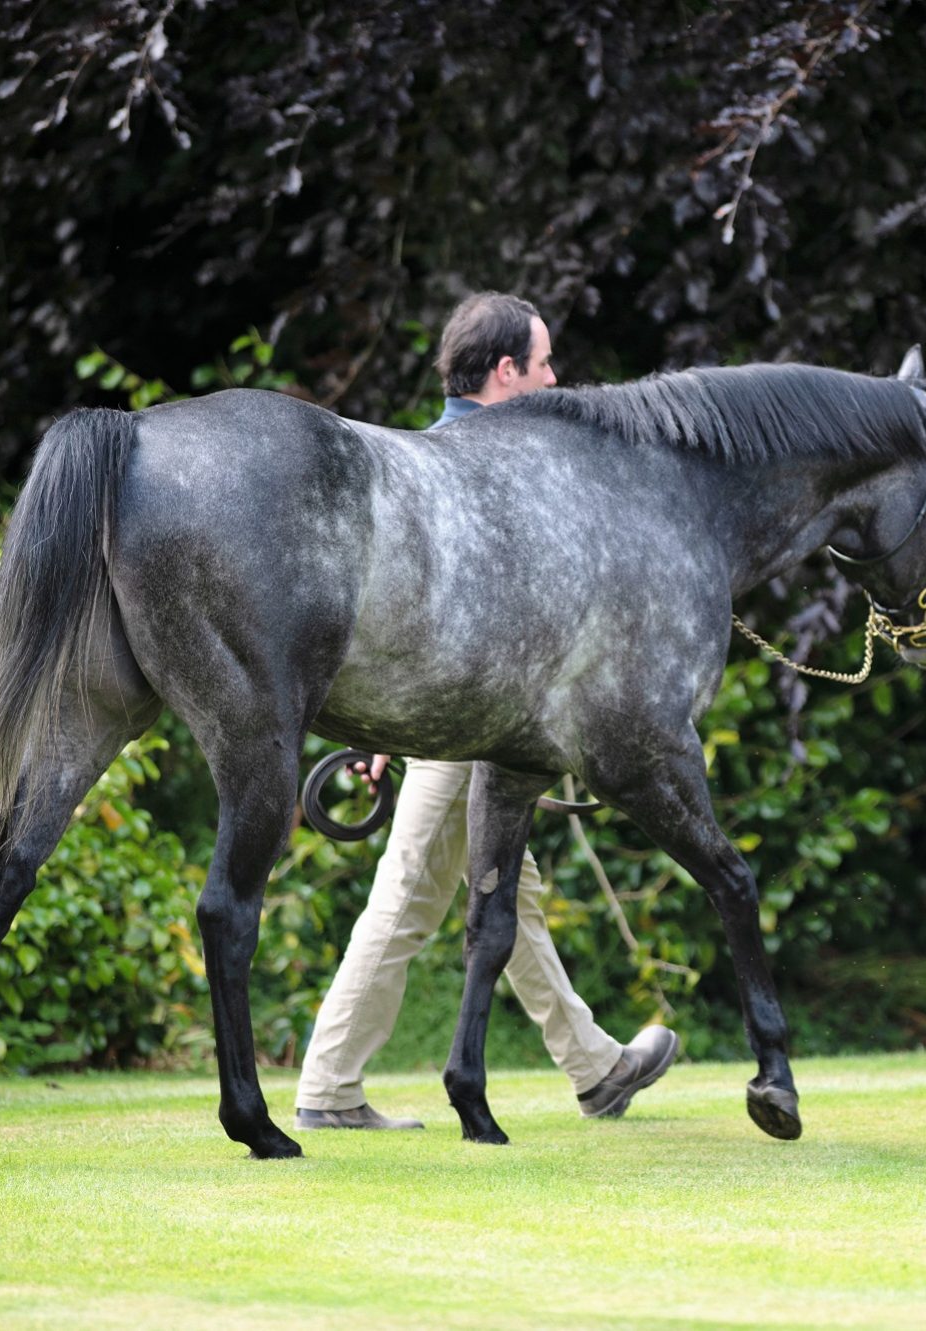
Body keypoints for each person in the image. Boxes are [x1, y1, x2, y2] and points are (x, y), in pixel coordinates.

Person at [294, 292, 678, 1131]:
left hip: (454, 719)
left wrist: (379, 728)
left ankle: (595, 1064)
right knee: (413, 892)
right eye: (543, 364)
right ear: (505, 373)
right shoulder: (486, 475)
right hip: (470, 723)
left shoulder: (438, 458)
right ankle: (327, 1087)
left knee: (509, 892)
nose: (554, 378)